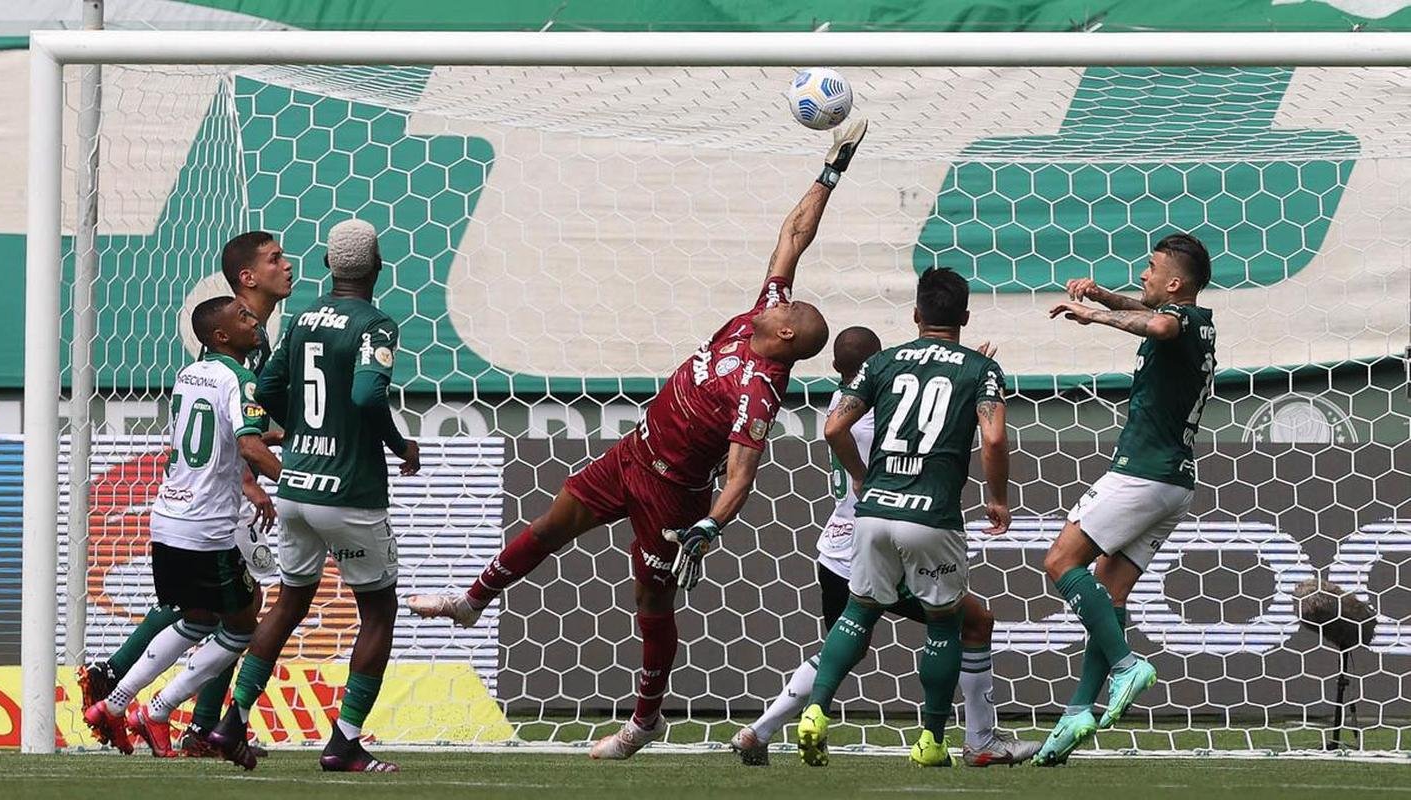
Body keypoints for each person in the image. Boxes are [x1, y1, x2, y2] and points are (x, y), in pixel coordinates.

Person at [406, 119, 869, 760]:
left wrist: (709, 525)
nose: (777, 300)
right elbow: (793, 238)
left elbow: (740, 475)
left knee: (650, 602)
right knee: (551, 523)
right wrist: (830, 170)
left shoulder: (760, 388)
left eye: (786, 310)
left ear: (788, 338)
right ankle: (473, 602)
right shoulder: (756, 313)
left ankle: (645, 720)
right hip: (631, 453)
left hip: (673, 495)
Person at [729, 326, 1036, 767]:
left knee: (843, 644)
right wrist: (964, 372)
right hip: (892, 533)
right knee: (970, 622)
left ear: (838, 368)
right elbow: (923, 417)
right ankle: (976, 739)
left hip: (837, 545)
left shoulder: (841, 403)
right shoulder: (880, 417)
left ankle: (759, 731)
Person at [208, 220, 421, 772]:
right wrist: (400, 445)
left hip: (296, 489)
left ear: (329, 266)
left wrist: (291, 431)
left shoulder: (302, 320)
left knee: (290, 602)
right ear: (377, 266)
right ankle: (344, 742)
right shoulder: (376, 324)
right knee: (378, 610)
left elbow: (268, 389)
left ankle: (231, 722)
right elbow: (369, 393)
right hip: (349, 492)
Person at [78, 231, 293, 757]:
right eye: (275, 259)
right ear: (245, 284)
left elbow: (226, 427)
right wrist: (283, 483)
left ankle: (130, 695)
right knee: (240, 617)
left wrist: (276, 438)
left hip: (176, 511)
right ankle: (161, 710)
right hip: (214, 512)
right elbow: (241, 434)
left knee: (197, 613)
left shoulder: (199, 366)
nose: (288, 266)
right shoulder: (240, 358)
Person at [798, 267, 1011, 769]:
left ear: (916, 315)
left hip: (873, 513)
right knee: (944, 625)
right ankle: (932, 740)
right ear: (963, 315)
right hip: (932, 515)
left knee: (856, 613)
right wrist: (997, 498)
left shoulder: (883, 363)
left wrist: (862, 477)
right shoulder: (979, 368)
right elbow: (995, 438)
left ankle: (815, 712)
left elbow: (834, 428)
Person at [1034, 233, 1216, 766]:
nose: (1144, 274)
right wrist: (1102, 297)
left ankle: (1125, 665)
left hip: (1141, 473)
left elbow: (1157, 322)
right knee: (1110, 595)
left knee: (1060, 561)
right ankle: (1075, 714)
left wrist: (1094, 318)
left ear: (1176, 282)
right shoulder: (1196, 323)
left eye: (1152, 267)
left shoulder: (1180, 322)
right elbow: (1149, 310)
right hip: (1173, 483)